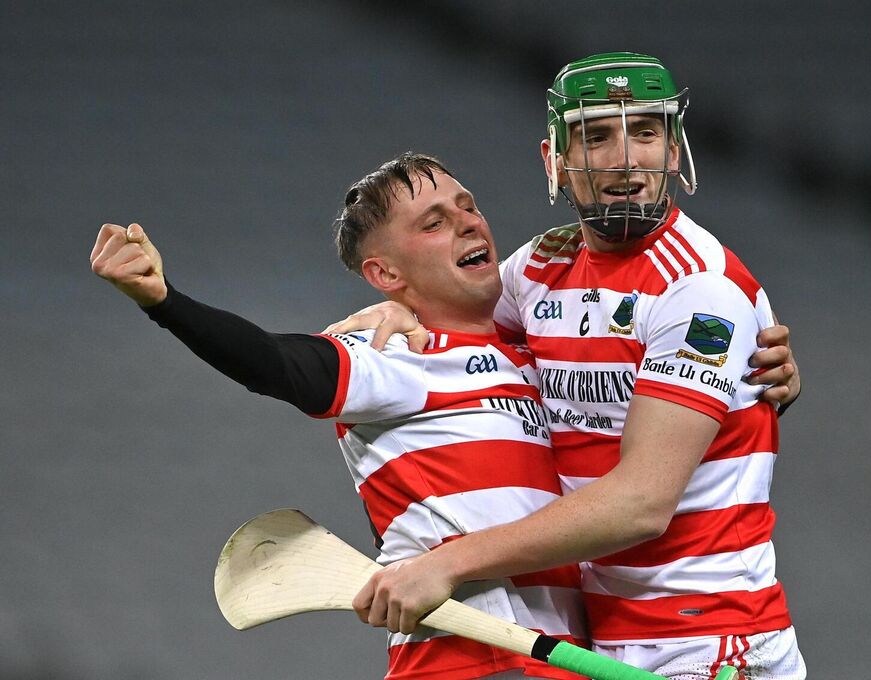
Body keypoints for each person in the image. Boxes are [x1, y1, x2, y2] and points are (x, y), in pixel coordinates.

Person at [335, 53, 806, 679]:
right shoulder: (537, 272)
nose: (625, 159)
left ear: (674, 150)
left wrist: (448, 561)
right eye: (595, 136)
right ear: (554, 160)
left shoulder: (700, 290)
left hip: (711, 640)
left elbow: (640, 504)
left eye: (645, 131)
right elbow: (452, 316)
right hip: (603, 642)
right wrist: (393, 311)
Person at [89, 154, 591, 680]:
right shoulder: (394, 354)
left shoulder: (533, 356)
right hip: (471, 663)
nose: (468, 221)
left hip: (562, 658)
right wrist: (165, 301)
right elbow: (273, 362)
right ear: (384, 272)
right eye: (434, 222)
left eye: (468, 206)